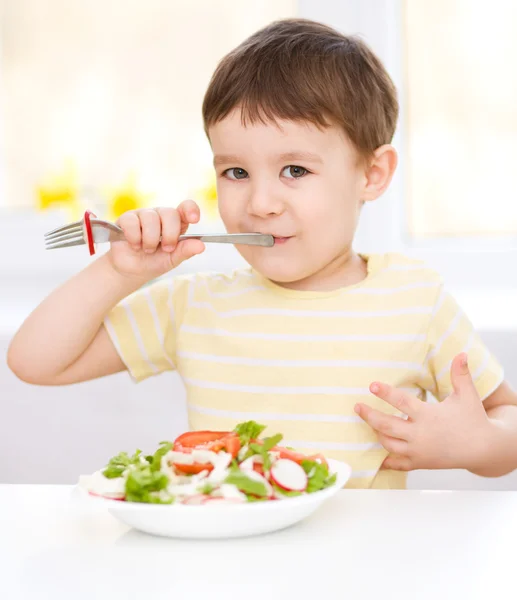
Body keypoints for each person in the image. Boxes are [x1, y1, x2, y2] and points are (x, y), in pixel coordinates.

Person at [8, 18, 517, 489]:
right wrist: (119, 270)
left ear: (372, 174)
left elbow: (506, 421)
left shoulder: (414, 298)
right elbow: (35, 362)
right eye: (236, 172)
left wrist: (477, 444)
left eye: (295, 170)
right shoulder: (194, 305)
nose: (261, 203)